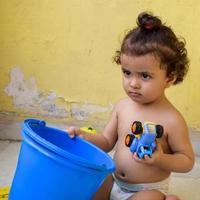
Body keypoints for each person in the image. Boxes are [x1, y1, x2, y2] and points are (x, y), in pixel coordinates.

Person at [67, 12, 195, 200]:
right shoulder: (122, 107)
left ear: (170, 78)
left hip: (147, 189)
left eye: (144, 76)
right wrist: (84, 137)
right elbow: (106, 142)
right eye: (127, 73)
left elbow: (187, 161)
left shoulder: (172, 119)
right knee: (88, 184)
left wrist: (160, 159)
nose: (133, 83)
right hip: (114, 180)